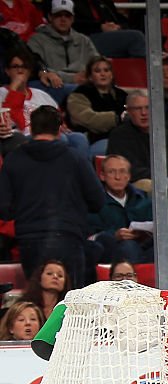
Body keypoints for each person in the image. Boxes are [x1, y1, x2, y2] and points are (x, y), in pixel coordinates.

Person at [0, 105, 105, 288]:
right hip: (68, 237)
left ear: (31, 128)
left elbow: (3, 208)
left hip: (30, 240)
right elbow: (97, 200)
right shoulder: (75, 158)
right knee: (69, 306)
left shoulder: (14, 159)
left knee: (40, 301)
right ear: (59, 129)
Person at [88, 154, 166, 266]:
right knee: (129, 246)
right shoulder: (95, 202)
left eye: (122, 172)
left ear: (129, 176)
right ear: (102, 176)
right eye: (111, 172)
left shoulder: (143, 198)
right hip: (113, 251)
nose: (118, 177)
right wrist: (115, 235)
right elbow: (92, 235)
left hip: (145, 247)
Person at [27, 0, 100, 105]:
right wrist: (71, 78)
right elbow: (38, 67)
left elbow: (96, 63)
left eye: (67, 15)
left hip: (83, 82)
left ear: (73, 18)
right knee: (83, 92)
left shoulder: (83, 40)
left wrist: (88, 76)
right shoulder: (36, 40)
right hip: (54, 84)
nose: (63, 19)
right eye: (58, 15)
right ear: (50, 17)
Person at [106, 90, 168, 192]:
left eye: (147, 108)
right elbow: (130, 171)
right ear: (129, 111)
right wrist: (162, 177)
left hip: (166, 181)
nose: (144, 113)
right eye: (138, 109)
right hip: (134, 184)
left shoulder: (166, 135)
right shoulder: (119, 136)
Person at [65, 54, 127, 152]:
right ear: (90, 77)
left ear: (111, 74)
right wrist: (117, 118)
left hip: (122, 137)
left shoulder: (122, 95)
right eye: (97, 71)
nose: (103, 74)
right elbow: (89, 119)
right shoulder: (79, 94)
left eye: (106, 70)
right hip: (93, 140)